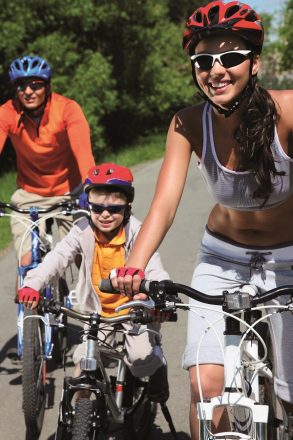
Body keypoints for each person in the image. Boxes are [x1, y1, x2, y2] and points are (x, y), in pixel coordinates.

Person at [109, 1, 293, 438]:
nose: (217, 70)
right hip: (221, 258)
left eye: (230, 58)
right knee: (205, 389)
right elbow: (164, 205)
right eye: (204, 60)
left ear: (254, 63)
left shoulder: (287, 112)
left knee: (290, 395)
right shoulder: (188, 123)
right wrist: (133, 265)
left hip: (288, 258)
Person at [18, 162, 170, 403]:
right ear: (88, 206)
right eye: (97, 208)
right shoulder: (82, 230)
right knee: (84, 364)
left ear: (127, 206)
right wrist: (33, 284)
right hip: (98, 315)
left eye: (114, 209)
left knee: (141, 360)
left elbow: (155, 269)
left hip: (134, 314)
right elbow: (57, 257)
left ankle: (158, 364)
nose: (105, 215)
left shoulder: (138, 232)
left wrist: (160, 299)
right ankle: (79, 417)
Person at [0, 55, 95, 267]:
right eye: (21, 86)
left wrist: (92, 188)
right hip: (30, 194)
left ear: (48, 86)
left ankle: (87, 300)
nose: (28, 91)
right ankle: (27, 298)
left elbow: (83, 153)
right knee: (27, 263)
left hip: (70, 191)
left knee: (82, 258)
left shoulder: (67, 109)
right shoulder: (7, 113)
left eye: (36, 85)